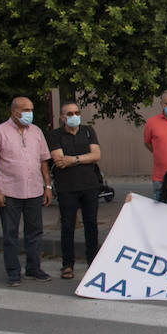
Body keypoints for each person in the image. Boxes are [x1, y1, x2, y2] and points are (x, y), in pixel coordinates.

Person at [0, 97, 53, 285]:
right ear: (14, 112)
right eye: (25, 110)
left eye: (31, 109)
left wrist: (47, 186)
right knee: (10, 234)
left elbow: (43, 161)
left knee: (35, 232)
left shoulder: (36, 131)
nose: (29, 113)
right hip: (9, 192)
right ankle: (13, 272)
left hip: (34, 190)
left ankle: (33, 268)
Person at [47, 100, 101, 279]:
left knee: (91, 225)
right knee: (68, 226)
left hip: (90, 185)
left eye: (76, 113)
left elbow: (97, 155)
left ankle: (93, 261)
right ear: (62, 117)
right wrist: (84, 158)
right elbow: (59, 159)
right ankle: (67, 264)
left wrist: (74, 160)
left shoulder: (88, 131)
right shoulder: (55, 135)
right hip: (67, 188)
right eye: (69, 114)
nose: (74, 117)